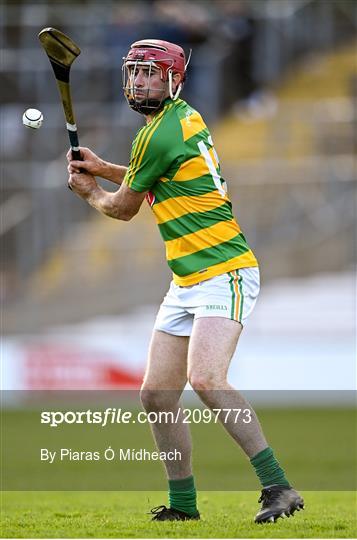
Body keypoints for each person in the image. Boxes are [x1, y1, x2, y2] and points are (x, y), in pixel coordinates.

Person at [67, 39, 304, 523]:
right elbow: (153, 177)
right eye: (133, 72)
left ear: (174, 78)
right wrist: (105, 167)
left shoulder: (159, 133)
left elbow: (122, 207)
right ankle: (183, 507)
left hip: (224, 268)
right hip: (187, 278)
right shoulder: (174, 121)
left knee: (206, 379)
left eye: (150, 73)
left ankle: (278, 486)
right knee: (156, 393)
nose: (139, 82)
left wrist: (90, 191)